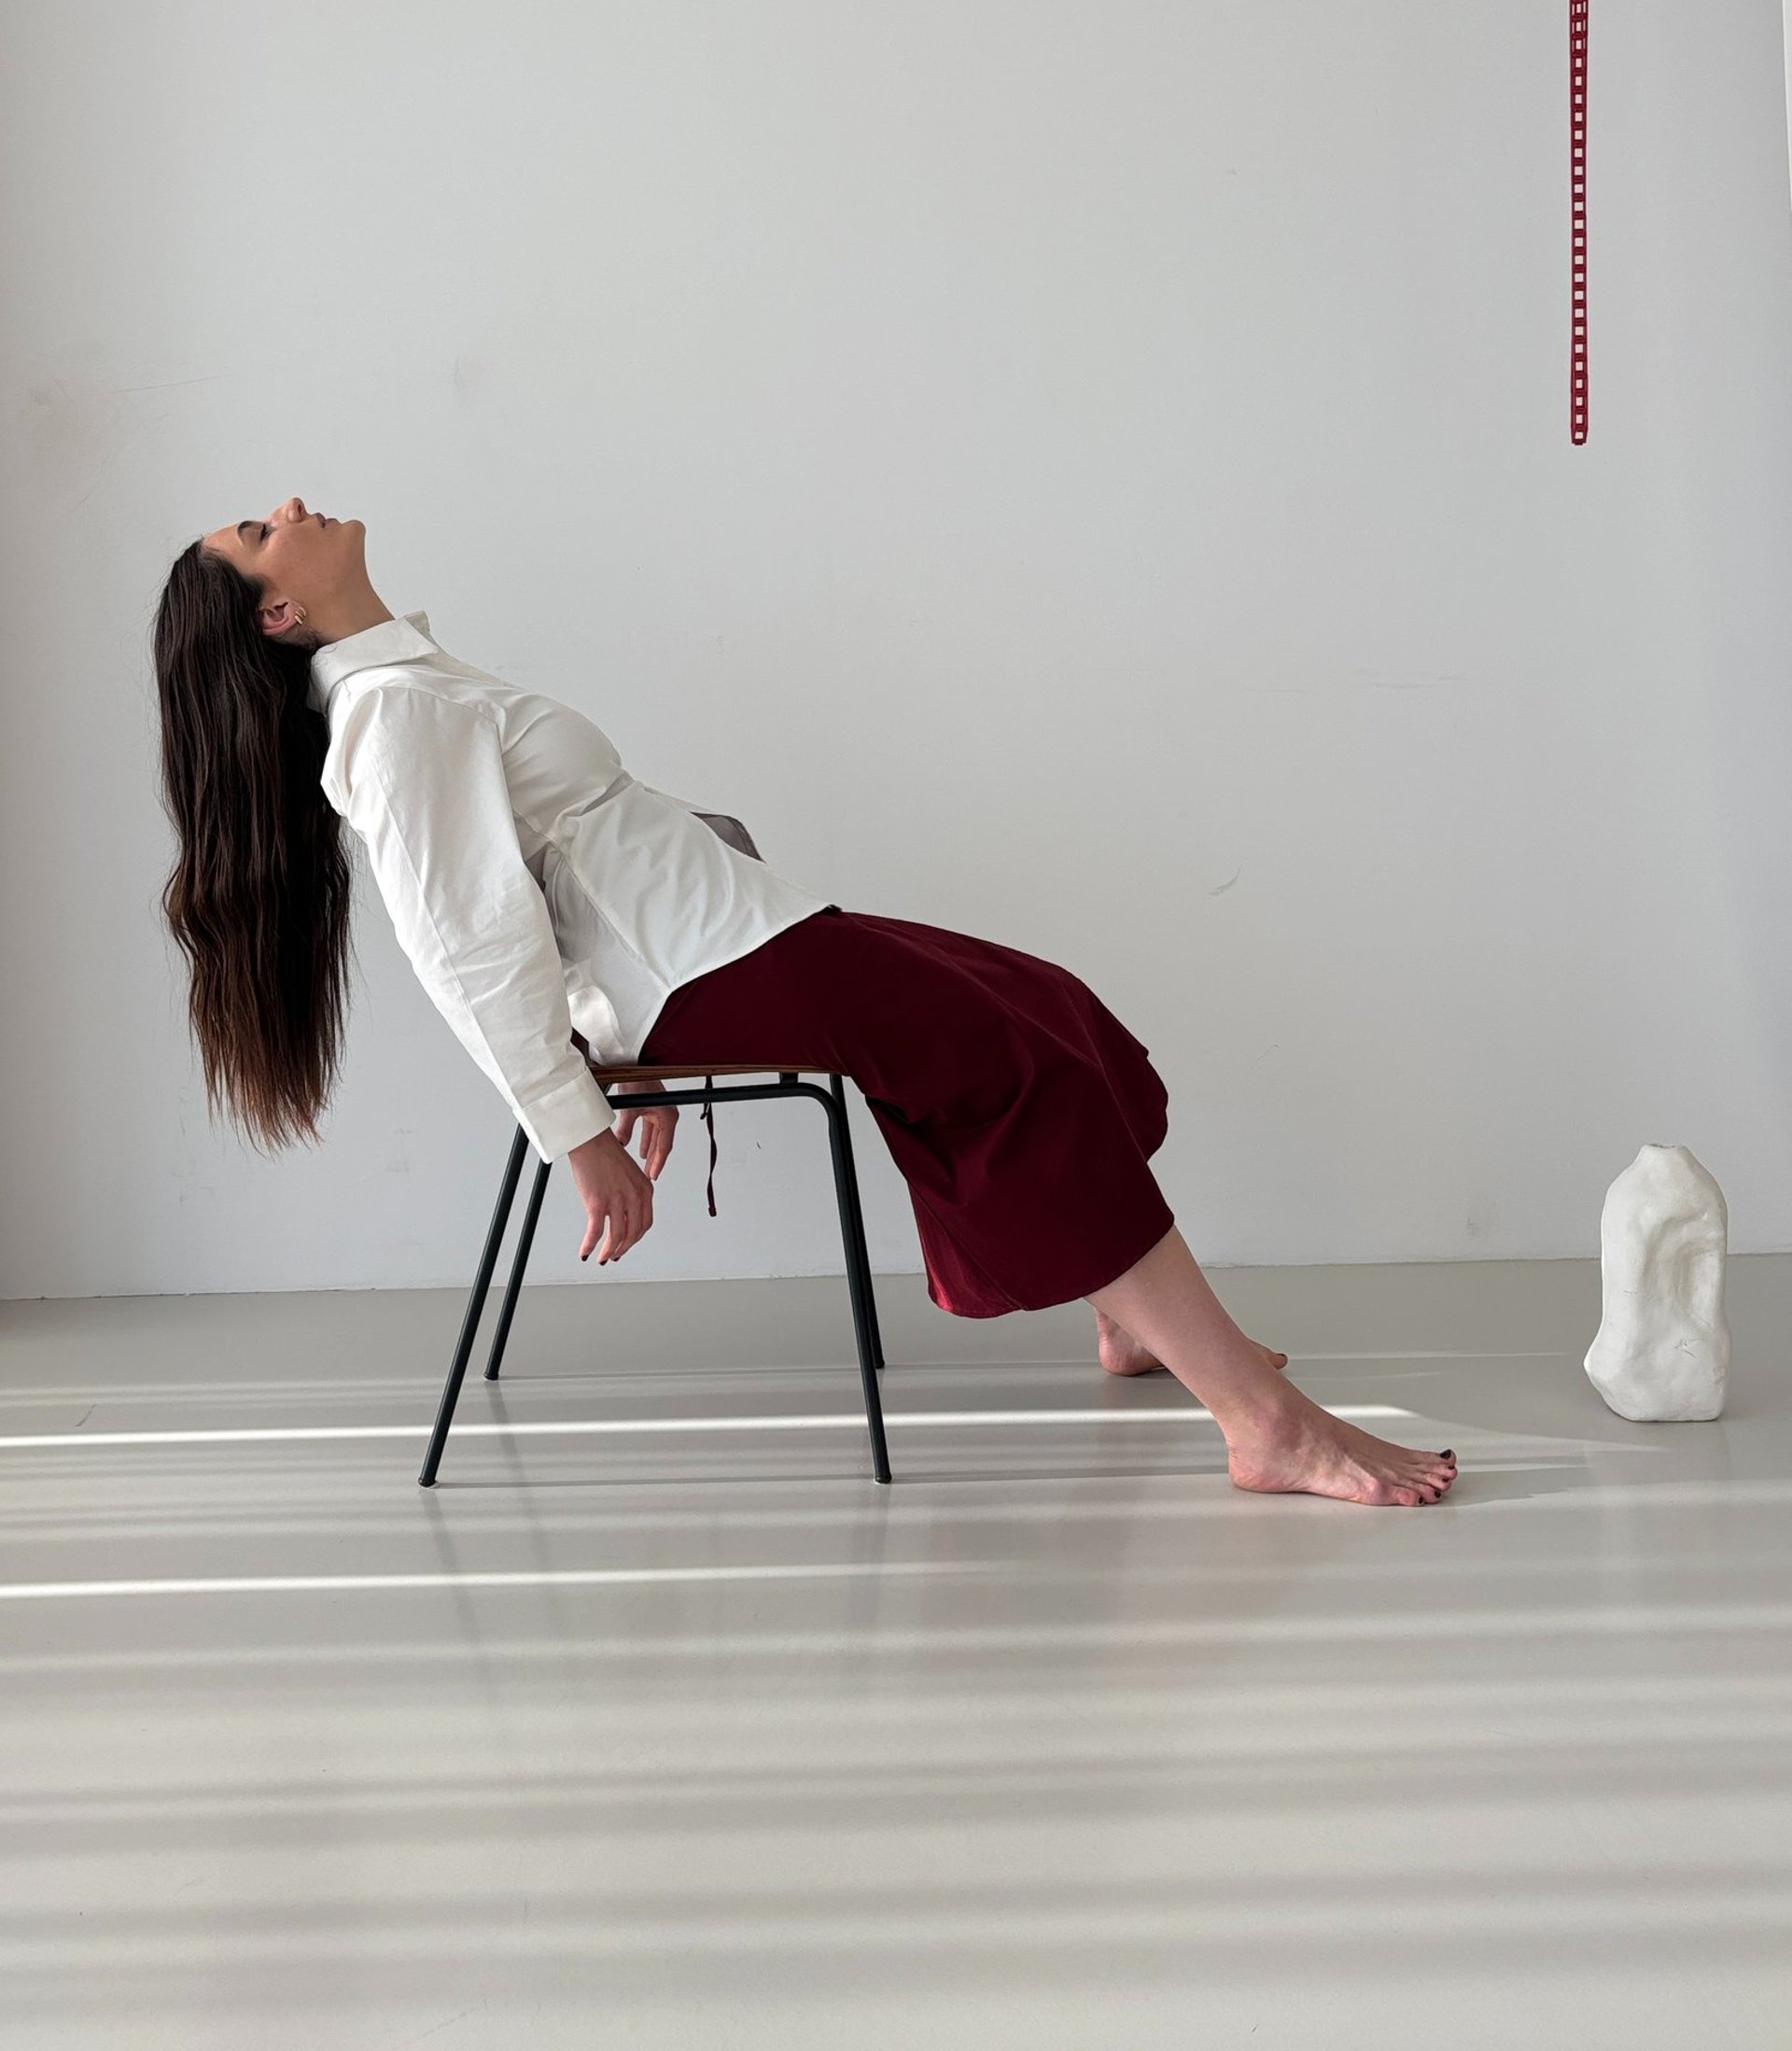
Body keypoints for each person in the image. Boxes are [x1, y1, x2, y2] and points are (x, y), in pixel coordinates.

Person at [152, 495, 1457, 1510]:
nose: (293, 507)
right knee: (1017, 1068)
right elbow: (468, 942)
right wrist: (579, 1128)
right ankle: (1261, 1427)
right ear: (278, 614)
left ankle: (1129, 1315)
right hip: (709, 963)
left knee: (1043, 1002)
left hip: (729, 933)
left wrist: (618, 1030)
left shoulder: (411, 684)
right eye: (261, 531)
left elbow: (556, 872)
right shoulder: (387, 714)